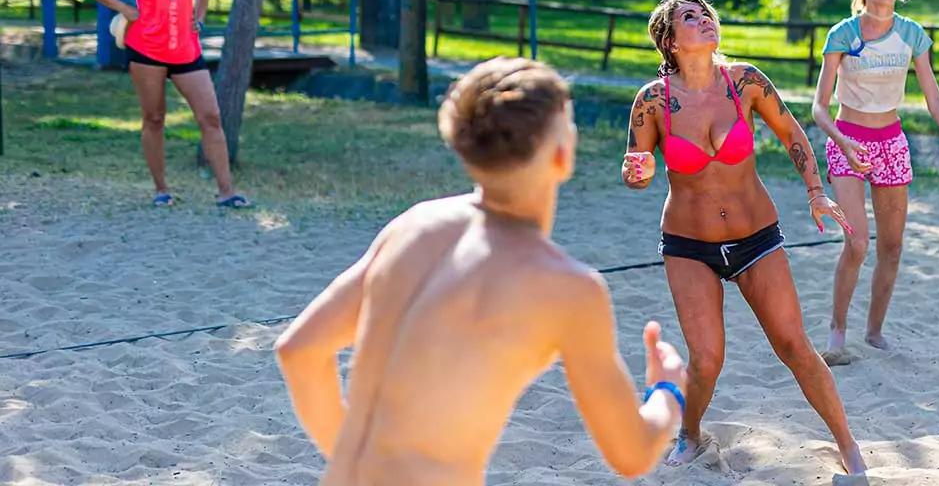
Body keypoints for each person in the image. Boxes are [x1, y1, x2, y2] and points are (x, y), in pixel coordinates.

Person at [275, 57, 688, 485]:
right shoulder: (567, 288)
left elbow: (299, 351)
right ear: (563, 156)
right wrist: (668, 391)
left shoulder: (414, 224)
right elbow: (632, 453)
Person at [622, 0, 867, 475]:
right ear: (669, 41)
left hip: (756, 237)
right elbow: (637, 167)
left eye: (706, 13)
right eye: (690, 17)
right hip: (689, 246)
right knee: (707, 359)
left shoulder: (745, 82)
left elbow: (793, 134)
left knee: (795, 346)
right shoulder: (652, 103)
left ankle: (848, 447)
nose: (705, 20)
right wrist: (639, 174)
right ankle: (690, 434)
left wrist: (816, 191)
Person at [812, 0, 939, 366]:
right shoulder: (842, 34)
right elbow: (819, 108)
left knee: (893, 246)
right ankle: (836, 333)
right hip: (847, 139)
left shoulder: (912, 34)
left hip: (892, 142)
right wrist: (844, 143)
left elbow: (933, 96)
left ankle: (875, 330)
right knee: (857, 242)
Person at [80, 0, 250, 209]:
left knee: (211, 117)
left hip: (186, 50)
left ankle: (227, 192)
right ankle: (161, 190)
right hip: (146, 50)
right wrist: (123, 9)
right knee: (154, 118)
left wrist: (199, 18)